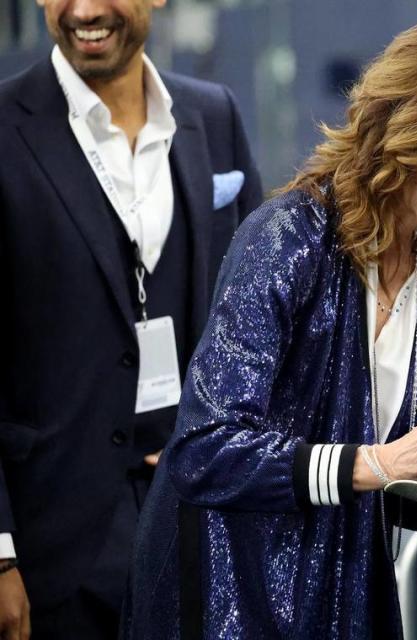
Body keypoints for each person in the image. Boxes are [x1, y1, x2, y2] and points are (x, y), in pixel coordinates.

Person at [122, 19, 417, 639]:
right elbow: (204, 452)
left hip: (351, 586)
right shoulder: (287, 237)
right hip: (226, 594)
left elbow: (405, 447)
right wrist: (375, 463)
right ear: (393, 131)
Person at [0, 0, 262, 636]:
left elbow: (262, 315)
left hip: (199, 523)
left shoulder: (214, 114)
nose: (85, 10)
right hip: (49, 546)